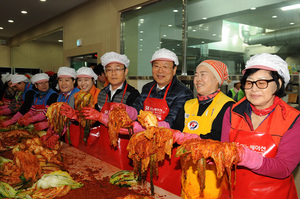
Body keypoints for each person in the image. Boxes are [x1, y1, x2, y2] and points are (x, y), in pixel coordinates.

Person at [221, 53, 300, 199]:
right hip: (232, 193)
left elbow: (284, 167)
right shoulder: (232, 112)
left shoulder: (293, 119)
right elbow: (224, 150)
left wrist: (251, 159)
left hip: (274, 194)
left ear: (279, 84)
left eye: (262, 82)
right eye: (249, 82)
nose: (254, 89)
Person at [118, 48, 194, 195]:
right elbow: (137, 109)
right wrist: (125, 110)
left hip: (167, 152)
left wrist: (143, 128)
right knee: (143, 189)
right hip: (145, 148)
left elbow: (173, 123)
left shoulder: (183, 92)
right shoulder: (148, 87)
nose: (160, 71)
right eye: (156, 66)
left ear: (174, 69)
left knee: (164, 191)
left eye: (166, 66)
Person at [172, 60, 235, 199]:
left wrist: (187, 138)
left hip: (214, 180)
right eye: (196, 75)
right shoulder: (188, 105)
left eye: (203, 74)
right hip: (188, 175)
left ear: (217, 79)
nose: (197, 79)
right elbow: (175, 132)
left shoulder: (228, 106)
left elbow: (218, 138)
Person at [79, 51, 140, 169]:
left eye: (118, 69)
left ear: (125, 71)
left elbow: (129, 125)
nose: (113, 73)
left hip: (124, 149)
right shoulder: (103, 93)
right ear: (105, 73)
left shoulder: (133, 94)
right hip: (103, 146)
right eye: (109, 70)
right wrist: (78, 116)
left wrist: (100, 117)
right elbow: (95, 120)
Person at [59, 67, 100, 148]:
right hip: (81, 134)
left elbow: (98, 120)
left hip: (97, 136)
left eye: (86, 80)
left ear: (93, 80)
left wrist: (77, 117)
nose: (83, 83)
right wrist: (73, 117)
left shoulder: (100, 95)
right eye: (80, 80)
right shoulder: (77, 96)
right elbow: (76, 120)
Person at [41, 67, 80, 148]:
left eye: (67, 80)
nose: (63, 84)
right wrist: (50, 131)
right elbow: (57, 117)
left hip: (77, 137)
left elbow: (69, 120)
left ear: (74, 81)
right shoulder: (60, 96)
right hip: (65, 136)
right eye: (60, 80)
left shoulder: (77, 96)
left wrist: (56, 135)